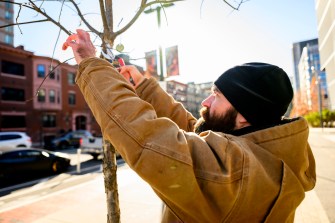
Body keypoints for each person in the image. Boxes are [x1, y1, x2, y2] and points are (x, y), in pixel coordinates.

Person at [62, 29, 316, 223]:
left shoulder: (237, 173)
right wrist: (144, 87)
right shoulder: (265, 151)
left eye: (217, 95)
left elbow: (146, 137)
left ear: (244, 117)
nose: (206, 101)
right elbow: (197, 133)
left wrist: (90, 63)